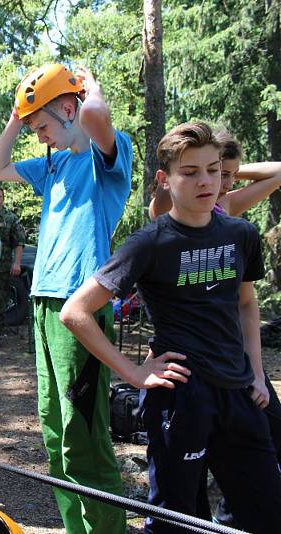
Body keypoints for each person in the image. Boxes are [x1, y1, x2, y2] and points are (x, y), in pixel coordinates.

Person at [61, 122, 281, 533]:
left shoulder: (240, 234)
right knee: (175, 520)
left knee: (266, 512)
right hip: (181, 397)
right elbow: (75, 312)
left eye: (214, 170)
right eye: (191, 171)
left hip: (239, 395)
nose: (206, 181)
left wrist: (256, 371)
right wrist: (134, 373)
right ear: (165, 179)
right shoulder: (150, 243)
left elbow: (246, 302)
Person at [0, 63, 132, 533]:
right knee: (54, 432)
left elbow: (99, 120)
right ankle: (76, 528)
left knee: (84, 435)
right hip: (44, 303)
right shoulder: (51, 165)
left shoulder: (107, 158)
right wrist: (18, 114)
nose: (39, 137)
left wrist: (93, 88)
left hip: (81, 306)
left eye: (43, 126)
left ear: (71, 108)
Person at [149, 130, 281, 525]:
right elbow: (161, 200)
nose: (218, 181)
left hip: (237, 356)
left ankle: (235, 511)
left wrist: (229, 172)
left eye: (223, 173)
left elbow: (278, 170)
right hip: (193, 363)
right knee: (184, 481)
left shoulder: (231, 212)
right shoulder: (172, 213)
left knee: (265, 433)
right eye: (207, 172)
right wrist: (202, 167)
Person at [150, 129, 281, 220]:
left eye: (234, 176)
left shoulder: (224, 207)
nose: (229, 185)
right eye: (223, 174)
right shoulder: (168, 206)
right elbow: (170, 175)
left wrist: (227, 172)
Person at [0, 185, 26, 347]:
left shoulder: (10, 218)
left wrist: (17, 263)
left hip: (2, 268)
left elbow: (19, 242)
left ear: (3, 199)